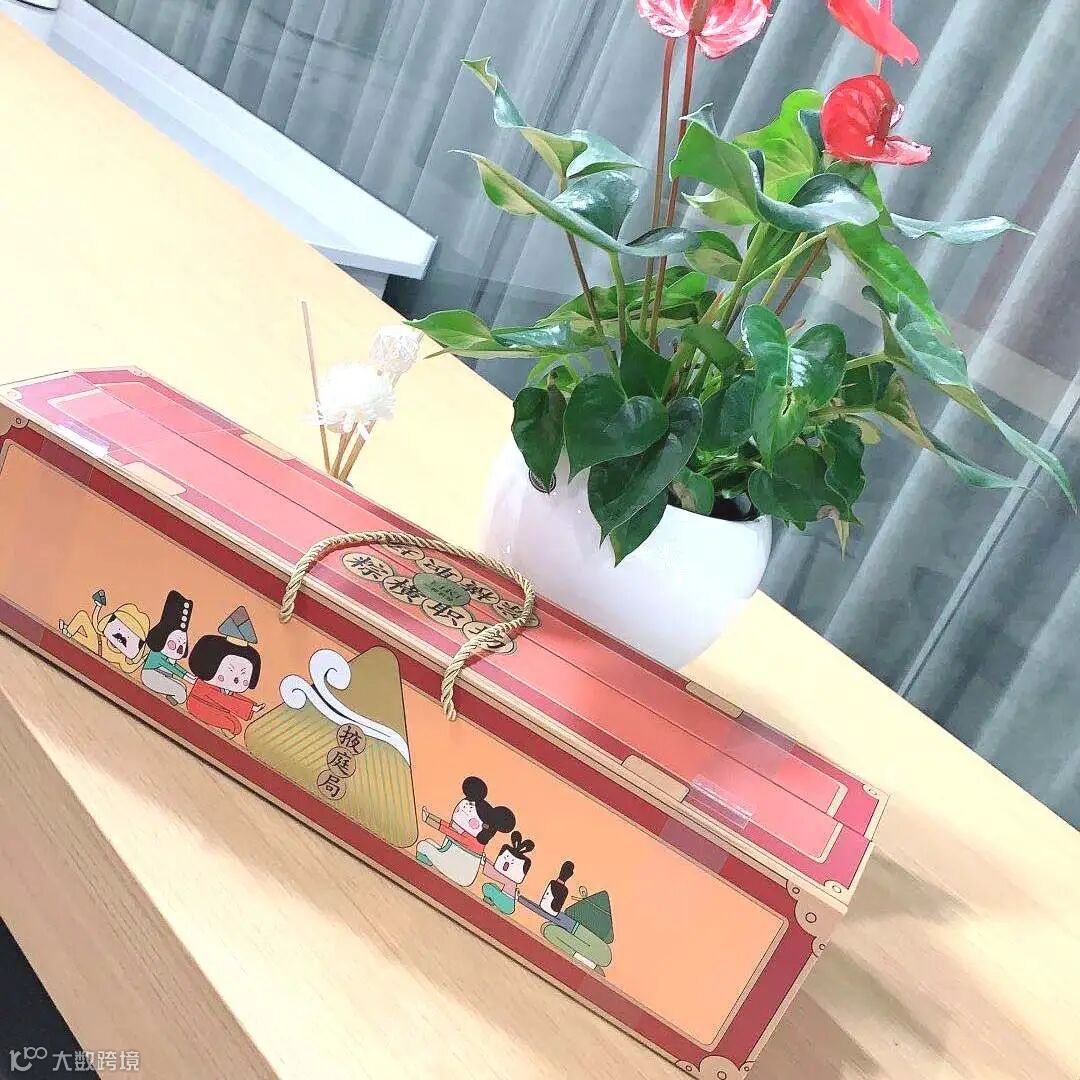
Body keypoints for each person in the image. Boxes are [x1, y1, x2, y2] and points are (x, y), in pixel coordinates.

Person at [416, 776, 515, 888]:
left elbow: (450, 832)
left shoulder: (474, 840)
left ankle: (424, 868)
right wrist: (430, 816)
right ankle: (430, 865)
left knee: (422, 846)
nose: (461, 811)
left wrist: (428, 820)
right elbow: (449, 827)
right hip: (452, 863)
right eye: (460, 809)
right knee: (428, 842)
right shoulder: (465, 831)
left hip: (458, 873)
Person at [187, 606, 263, 738]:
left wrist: (252, 706)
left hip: (218, 709)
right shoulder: (205, 685)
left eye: (243, 676)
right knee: (234, 725)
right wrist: (250, 708)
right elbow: (225, 700)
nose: (236, 679)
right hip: (199, 705)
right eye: (230, 670)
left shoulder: (226, 689)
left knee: (235, 725)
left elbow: (233, 697)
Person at [59, 589, 149, 676]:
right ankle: (68, 631)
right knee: (82, 616)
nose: (121, 637)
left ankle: (68, 632)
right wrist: (98, 607)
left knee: (79, 636)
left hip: (93, 651)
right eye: (119, 628)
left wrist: (143, 659)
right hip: (94, 640)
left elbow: (128, 668)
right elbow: (95, 623)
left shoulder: (121, 658)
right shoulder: (105, 635)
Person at [140, 590, 195, 706]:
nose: (178, 649)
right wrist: (186, 677)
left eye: (182, 645)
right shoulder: (157, 653)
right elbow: (168, 666)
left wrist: (189, 676)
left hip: (163, 676)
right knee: (181, 692)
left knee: (183, 689)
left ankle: (167, 700)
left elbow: (175, 667)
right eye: (173, 644)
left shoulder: (171, 657)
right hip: (151, 675)